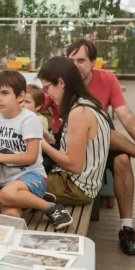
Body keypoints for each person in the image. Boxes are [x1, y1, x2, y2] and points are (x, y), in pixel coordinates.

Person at [44, 39, 135, 255]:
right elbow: (30, 99)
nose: (75, 65)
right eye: (71, 60)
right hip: (65, 138)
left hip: (97, 141)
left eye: (81, 60)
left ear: (93, 62)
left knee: (119, 156)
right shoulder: (58, 84)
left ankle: (126, 227)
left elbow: (125, 115)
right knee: (103, 130)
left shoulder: (106, 80)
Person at [0, 70, 73, 229]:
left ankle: (51, 207)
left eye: (5, 93)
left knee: (5, 194)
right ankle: (28, 201)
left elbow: (31, 157)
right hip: (7, 181)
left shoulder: (29, 119)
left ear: (20, 97)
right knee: (10, 217)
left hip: (31, 176)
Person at [37, 57, 112, 215]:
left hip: (76, 187)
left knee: (13, 183)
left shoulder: (79, 113)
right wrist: (48, 138)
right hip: (83, 183)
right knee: (17, 183)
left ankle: (50, 214)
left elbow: (74, 165)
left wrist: (41, 144)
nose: (47, 94)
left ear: (61, 83)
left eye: (47, 88)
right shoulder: (86, 103)